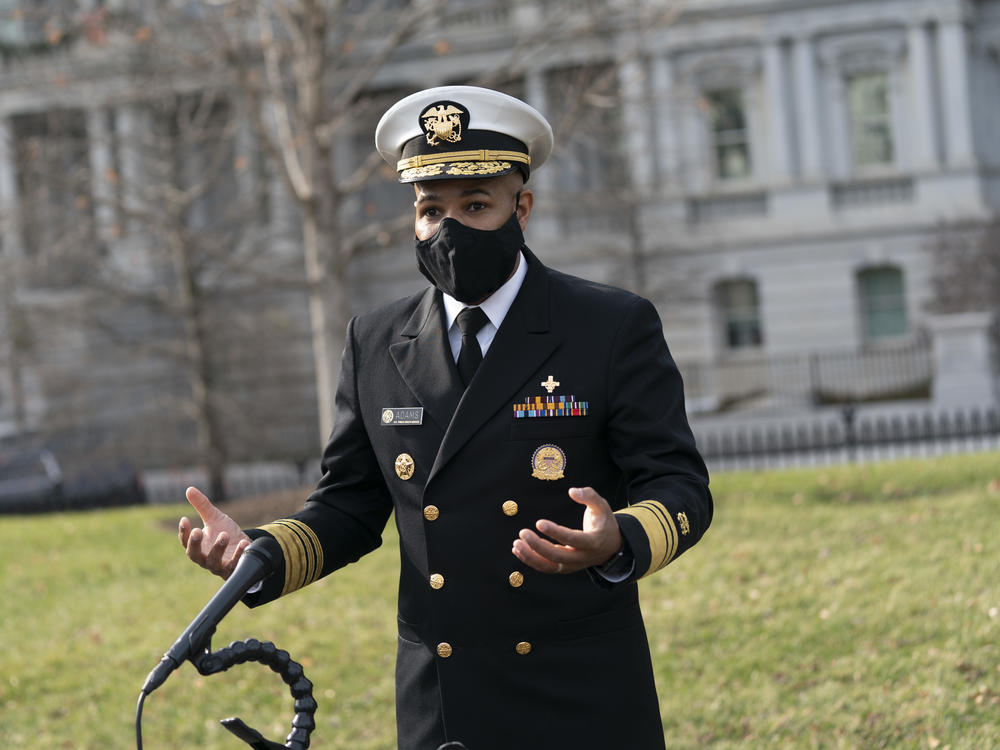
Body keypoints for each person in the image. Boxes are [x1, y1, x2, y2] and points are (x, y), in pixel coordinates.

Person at [177, 86, 712, 750]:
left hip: (580, 690)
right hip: (444, 698)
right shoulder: (373, 341)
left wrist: (619, 539)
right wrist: (257, 555)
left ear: (523, 208)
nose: (449, 229)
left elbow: (681, 487)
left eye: (476, 206)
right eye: (431, 210)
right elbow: (349, 505)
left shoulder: (608, 326)